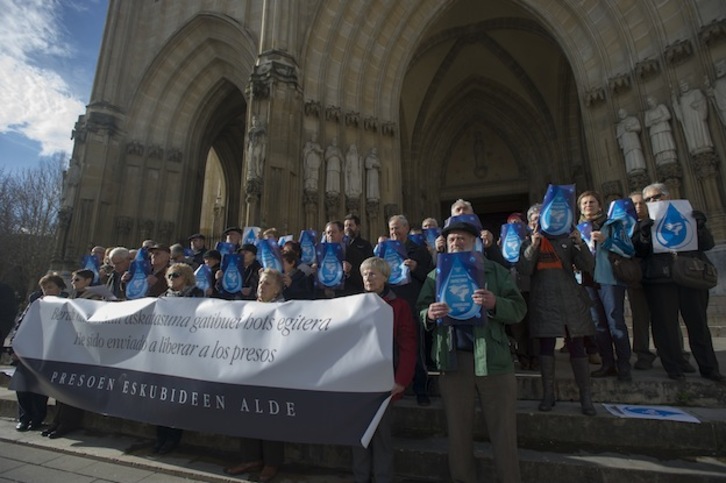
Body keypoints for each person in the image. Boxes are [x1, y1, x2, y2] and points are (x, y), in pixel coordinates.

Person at [418, 218, 526, 483]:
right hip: (453, 362)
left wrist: (495, 303)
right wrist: (429, 314)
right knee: (458, 434)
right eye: (452, 239)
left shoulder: (495, 271)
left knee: (503, 434)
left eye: (462, 238)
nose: (456, 242)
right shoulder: (435, 276)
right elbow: (420, 310)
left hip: (493, 361)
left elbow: (519, 310)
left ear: (474, 241)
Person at [633, 183, 723, 382]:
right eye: (648, 200)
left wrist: (699, 226)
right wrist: (645, 236)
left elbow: (707, 244)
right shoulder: (643, 224)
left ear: (668, 196)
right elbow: (638, 252)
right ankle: (673, 368)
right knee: (665, 326)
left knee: (698, 324)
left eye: (656, 197)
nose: (653, 202)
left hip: (690, 276)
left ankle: (709, 368)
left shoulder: (688, 216)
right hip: (660, 280)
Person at [519, 202, 597, 416]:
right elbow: (524, 269)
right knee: (546, 347)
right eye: (533, 219)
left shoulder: (567, 241)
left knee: (577, 346)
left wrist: (580, 243)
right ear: (529, 223)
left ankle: (586, 398)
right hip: (543, 301)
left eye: (540, 218)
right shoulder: (526, 243)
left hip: (570, 300)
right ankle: (548, 395)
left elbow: (587, 266)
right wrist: (534, 245)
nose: (537, 222)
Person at [352, 257, 416, 483]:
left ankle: (383, 478)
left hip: (385, 379)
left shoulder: (399, 306)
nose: (368, 278)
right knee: (359, 434)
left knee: (381, 437)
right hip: (359, 379)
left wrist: (401, 379)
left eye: (373, 274)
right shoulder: (354, 304)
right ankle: (360, 478)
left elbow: (407, 344)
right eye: (365, 274)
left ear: (385, 277)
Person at [225, 269, 286, 482]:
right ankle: (250, 458)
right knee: (247, 413)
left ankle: (271, 462)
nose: (262, 287)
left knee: (270, 417)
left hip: (272, 371)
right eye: (261, 283)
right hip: (247, 368)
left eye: (267, 283)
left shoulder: (286, 309)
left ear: (278, 288)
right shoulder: (248, 307)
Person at [578, 191, 632, 382]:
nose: (588, 206)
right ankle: (607, 364)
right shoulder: (577, 230)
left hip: (609, 279)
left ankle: (624, 365)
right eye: (584, 203)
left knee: (615, 322)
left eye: (592, 202)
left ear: (600, 206)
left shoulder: (614, 224)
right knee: (598, 325)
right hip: (588, 281)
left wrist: (605, 241)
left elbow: (628, 249)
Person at [42, 269, 102, 439]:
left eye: (77, 279)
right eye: (73, 279)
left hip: (83, 348)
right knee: (61, 386)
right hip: (66, 347)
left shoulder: (95, 298)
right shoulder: (71, 298)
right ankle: (57, 421)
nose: (73, 282)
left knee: (73, 387)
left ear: (88, 280)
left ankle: (68, 423)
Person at [154, 263, 205, 454]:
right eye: (169, 275)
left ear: (186, 277)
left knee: (177, 396)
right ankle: (161, 435)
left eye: (175, 275)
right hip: (166, 351)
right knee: (162, 397)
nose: (171, 279)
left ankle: (173, 437)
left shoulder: (196, 294)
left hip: (186, 352)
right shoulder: (164, 297)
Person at [388, 214, 434, 406]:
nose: (394, 232)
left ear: (406, 229)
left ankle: (421, 389)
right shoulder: (385, 251)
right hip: (391, 306)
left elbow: (431, 278)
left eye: (397, 228)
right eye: (391, 229)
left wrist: (416, 268)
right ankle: (397, 388)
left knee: (415, 351)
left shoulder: (419, 251)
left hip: (412, 305)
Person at [12, 274, 68, 431]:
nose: (47, 291)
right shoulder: (35, 304)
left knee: (40, 389)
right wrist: (15, 346)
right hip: (28, 349)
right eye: (44, 288)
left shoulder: (66, 304)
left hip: (47, 351)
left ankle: (36, 418)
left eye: (50, 287)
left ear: (59, 288)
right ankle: (24, 418)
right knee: (22, 387)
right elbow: (21, 324)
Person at [627, 192, 657, 370]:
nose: (638, 207)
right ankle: (643, 354)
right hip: (636, 275)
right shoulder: (625, 226)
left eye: (642, 203)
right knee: (639, 318)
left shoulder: (660, 222)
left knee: (667, 317)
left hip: (661, 274)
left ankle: (676, 354)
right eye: (634, 204)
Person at [672, 81, 713, 155]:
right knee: (691, 132)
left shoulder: (696, 92)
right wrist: (675, 103)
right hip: (687, 118)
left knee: (699, 129)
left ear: (688, 85)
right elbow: (680, 112)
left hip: (696, 115)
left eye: (685, 85)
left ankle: (703, 145)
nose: (684, 87)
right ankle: (695, 147)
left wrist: (696, 104)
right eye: (682, 86)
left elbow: (702, 100)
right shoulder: (682, 98)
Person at [344, 214, 374, 294]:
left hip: (358, 286)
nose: (347, 228)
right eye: (346, 226)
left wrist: (352, 271)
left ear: (358, 227)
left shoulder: (365, 245)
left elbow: (370, 265)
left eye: (350, 225)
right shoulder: (341, 245)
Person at [644, 96, 678, 166]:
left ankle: (669, 157)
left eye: (651, 101)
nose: (650, 103)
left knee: (665, 142)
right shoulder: (647, 112)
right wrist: (653, 122)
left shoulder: (661, 107)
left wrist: (659, 120)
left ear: (655, 100)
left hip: (663, 127)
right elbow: (646, 123)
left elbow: (668, 115)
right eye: (648, 102)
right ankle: (660, 159)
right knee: (658, 145)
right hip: (654, 131)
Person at [616, 108, 646, 173]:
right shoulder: (619, 125)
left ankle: (639, 167)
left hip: (633, 139)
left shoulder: (633, 119)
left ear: (626, 112)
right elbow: (619, 137)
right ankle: (631, 169)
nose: (622, 115)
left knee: (635, 151)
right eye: (620, 114)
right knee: (628, 155)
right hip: (625, 142)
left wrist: (631, 128)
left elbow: (638, 127)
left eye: (623, 113)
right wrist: (621, 144)